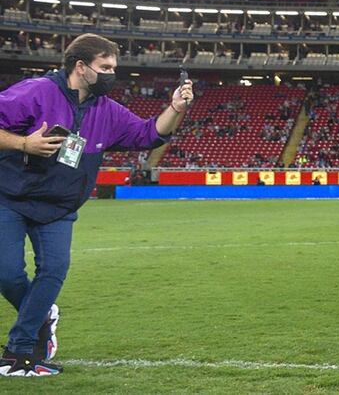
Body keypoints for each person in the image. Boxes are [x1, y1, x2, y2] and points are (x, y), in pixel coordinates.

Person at [0, 34, 194, 377]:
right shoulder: (36, 92)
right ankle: (42, 314)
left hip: (59, 207)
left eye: (113, 67)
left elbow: (149, 134)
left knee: (53, 271)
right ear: (80, 66)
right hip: (10, 197)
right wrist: (24, 143)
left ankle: (19, 351)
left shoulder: (108, 111)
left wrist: (176, 107)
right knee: (7, 272)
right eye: (105, 67)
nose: (111, 74)